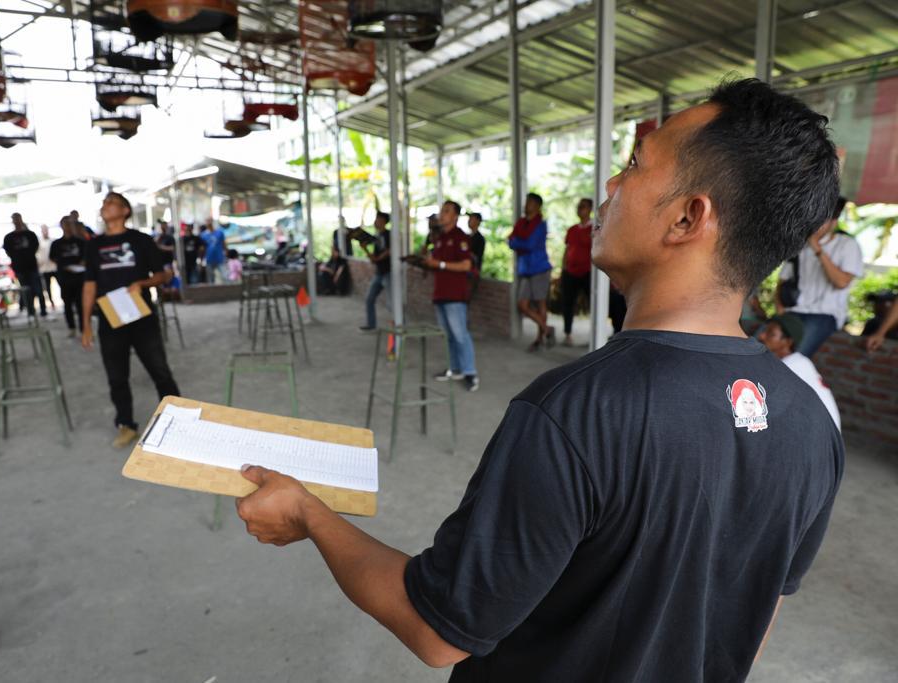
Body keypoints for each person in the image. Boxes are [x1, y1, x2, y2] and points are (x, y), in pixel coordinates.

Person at [232, 79, 844, 681]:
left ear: (688, 218)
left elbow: (439, 632)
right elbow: (753, 622)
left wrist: (309, 515)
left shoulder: (576, 412)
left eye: (635, 165)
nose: (610, 184)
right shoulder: (813, 421)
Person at [81, 192, 181, 449]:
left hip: (141, 315)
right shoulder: (93, 245)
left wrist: (142, 283)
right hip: (109, 318)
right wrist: (85, 325)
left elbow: (163, 275)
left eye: (110, 203)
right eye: (103, 203)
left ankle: (179, 420)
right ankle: (126, 425)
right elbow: (89, 286)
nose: (105, 207)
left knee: (159, 369)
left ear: (125, 210)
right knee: (116, 376)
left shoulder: (141, 240)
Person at [775, 196, 863, 357]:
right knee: (761, 347)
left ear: (834, 222)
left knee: (793, 358)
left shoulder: (847, 245)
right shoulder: (799, 245)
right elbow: (782, 281)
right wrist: (780, 312)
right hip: (792, 311)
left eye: (822, 220)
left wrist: (817, 248)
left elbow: (841, 282)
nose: (815, 225)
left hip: (824, 315)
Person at [757, 313, 841, 431]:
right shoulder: (797, 362)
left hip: (820, 438)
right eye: (764, 331)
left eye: (771, 334)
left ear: (788, 342)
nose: (761, 336)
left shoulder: (791, 368)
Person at [426, 200, 478, 392]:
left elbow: (466, 265)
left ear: (455, 216)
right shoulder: (439, 238)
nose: (442, 214)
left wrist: (439, 264)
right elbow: (437, 263)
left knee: (460, 334)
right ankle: (455, 368)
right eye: (442, 210)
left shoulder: (459, 237)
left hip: (455, 295)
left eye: (447, 211)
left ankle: (470, 372)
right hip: (440, 293)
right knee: (448, 335)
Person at [508, 193, 554, 351]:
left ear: (537, 206)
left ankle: (539, 338)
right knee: (522, 304)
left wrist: (516, 242)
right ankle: (547, 328)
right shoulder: (521, 222)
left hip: (539, 268)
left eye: (530, 202)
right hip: (525, 269)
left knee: (540, 302)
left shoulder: (541, 224)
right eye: (526, 201)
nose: (526, 205)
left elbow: (528, 244)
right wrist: (517, 242)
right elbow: (510, 242)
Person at [556, 197, 594, 345]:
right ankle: (567, 334)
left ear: (590, 209)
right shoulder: (572, 229)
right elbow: (567, 250)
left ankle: (594, 335)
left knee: (593, 303)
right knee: (568, 303)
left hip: (588, 272)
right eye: (578, 206)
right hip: (570, 272)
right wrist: (563, 269)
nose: (580, 209)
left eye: (583, 206)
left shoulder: (594, 229)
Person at [3, 212, 47, 317]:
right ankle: (30, 311)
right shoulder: (9, 237)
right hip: (19, 268)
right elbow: (8, 251)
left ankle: (43, 310)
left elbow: (35, 247)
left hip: (32, 266)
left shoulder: (30, 235)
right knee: (26, 291)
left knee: (38, 289)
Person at [50, 216, 87, 338]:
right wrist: (64, 265)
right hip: (65, 278)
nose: (68, 227)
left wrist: (81, 263)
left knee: (81, 304)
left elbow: (87, 257)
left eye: (70, 224)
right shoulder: (56, 243)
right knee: (67, 304)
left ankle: (84, 328)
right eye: (65, 224)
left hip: (79, 277)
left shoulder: (80, 242)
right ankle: (71, 327)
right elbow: (53, 257)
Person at [360, 211, 392, 331]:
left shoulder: (388, 235)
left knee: (392, 303)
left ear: (383, 221)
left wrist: (377, 258)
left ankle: (400, 324)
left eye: (377, 219)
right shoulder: (376, 237)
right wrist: (365, 250)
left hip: (389, 272)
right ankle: (371, 324)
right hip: (379, 273)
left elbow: (389, 251)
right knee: (369, 299)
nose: (375, 221)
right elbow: (374, 259)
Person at [38, 224, 57, 311]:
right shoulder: (39, 242)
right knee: (48, 288)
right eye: (43, 230)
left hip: (54, 267)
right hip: (45, 269)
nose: (45, 231)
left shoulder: (53, 241)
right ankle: (51, 302)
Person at [201, 219, 227, 284]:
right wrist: (202, 259)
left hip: (219, 258)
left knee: (224, 276)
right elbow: (202, 248)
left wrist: (226, 253)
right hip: (209, 259)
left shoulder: (220, 233)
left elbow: (224, 244)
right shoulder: (203, 235)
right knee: (210, 279)